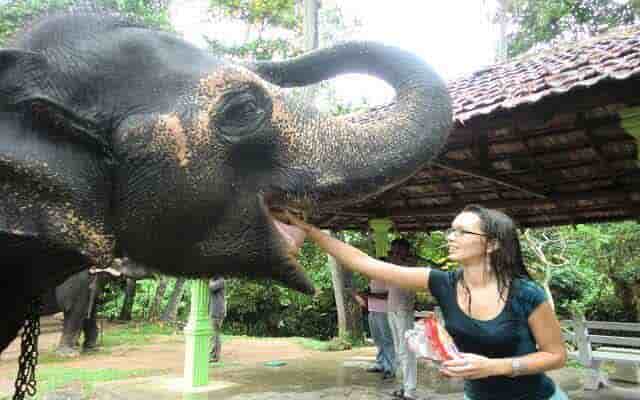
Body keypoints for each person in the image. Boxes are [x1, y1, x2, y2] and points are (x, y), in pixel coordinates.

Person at [276, 205, 568, 400]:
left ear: (492, 244)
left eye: (461, 232)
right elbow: (364, 263)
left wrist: (496, 367)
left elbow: (556, 356)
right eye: (450, 230)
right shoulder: (443, 282)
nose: (450, 237)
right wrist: (310, 231)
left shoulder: (526, 294)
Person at [386, 239, 418, 399]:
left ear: (407, 251)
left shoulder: (410, 265)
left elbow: (402, 266)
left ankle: (410, 391)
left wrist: (393, 259)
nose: (395, 254)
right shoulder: (394, 265)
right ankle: (403, 386)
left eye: (399, 251)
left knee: (407, 351)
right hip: (392, 309)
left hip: (404, 311)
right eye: (393, 251)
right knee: (399, 351)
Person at [355, 275, 396, 380]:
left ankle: (390, 368)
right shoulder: (371, 280)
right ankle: (380, 364)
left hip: (384, 311)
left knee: (387, 340)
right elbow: (368, 294)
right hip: (372, 310)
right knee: (377, 339)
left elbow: (390, 295)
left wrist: (370, 295)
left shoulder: (387, 278)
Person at [209, 276, 226, 363]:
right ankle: (214, 355)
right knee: (214, 334)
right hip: (216, 311)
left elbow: (211, 287)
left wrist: (208, 279)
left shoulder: (220, 280)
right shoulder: (217, 280)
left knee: (214, 334)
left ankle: (214, 356)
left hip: (217, 311)